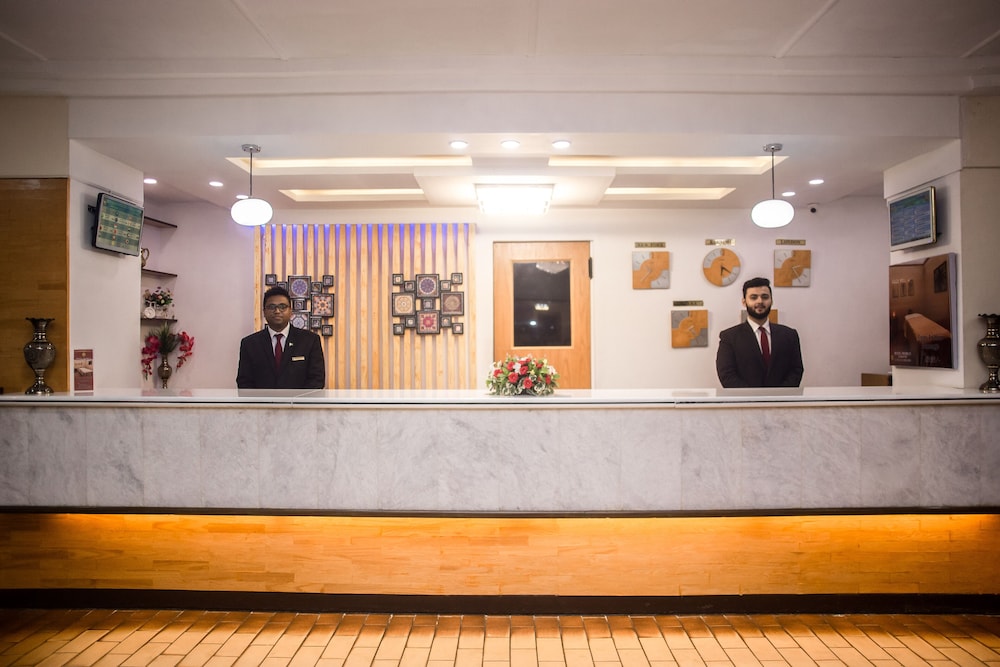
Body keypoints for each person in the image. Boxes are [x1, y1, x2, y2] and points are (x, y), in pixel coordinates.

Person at [716, 276, 803, 388]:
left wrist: (778, 395)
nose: (760, 301)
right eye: (753, 297)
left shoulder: (789, 335)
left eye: (765, 297)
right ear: (744, 302)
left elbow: (796, 370)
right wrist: (753, 396)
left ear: (771, 300)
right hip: (745, 399)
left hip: (782, 398)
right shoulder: (729, 337)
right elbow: (726, 375)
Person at [237, 286, 326, 389]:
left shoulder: (310, 340)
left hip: (299, 399)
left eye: (283, 306)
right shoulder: (250, 344)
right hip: (262, 400)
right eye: (271, 307)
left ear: (290, 311)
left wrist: (296, 399)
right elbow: (244, 382)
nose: (277, 311)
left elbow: (317, 380)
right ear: (264, 312)